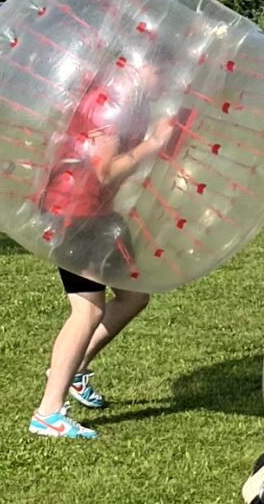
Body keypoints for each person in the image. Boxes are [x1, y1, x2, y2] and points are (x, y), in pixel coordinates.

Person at [28, 58, 178, 441]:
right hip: (75, 210)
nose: (168, 79)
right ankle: (48, 412)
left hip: (98, 211)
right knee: (87, 308)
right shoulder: (110, 101)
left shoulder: (133, 102)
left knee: (134, 295)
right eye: (164, 69)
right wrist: (153, 144)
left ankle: (75, 370)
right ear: (143, 64)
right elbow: (105, 171)